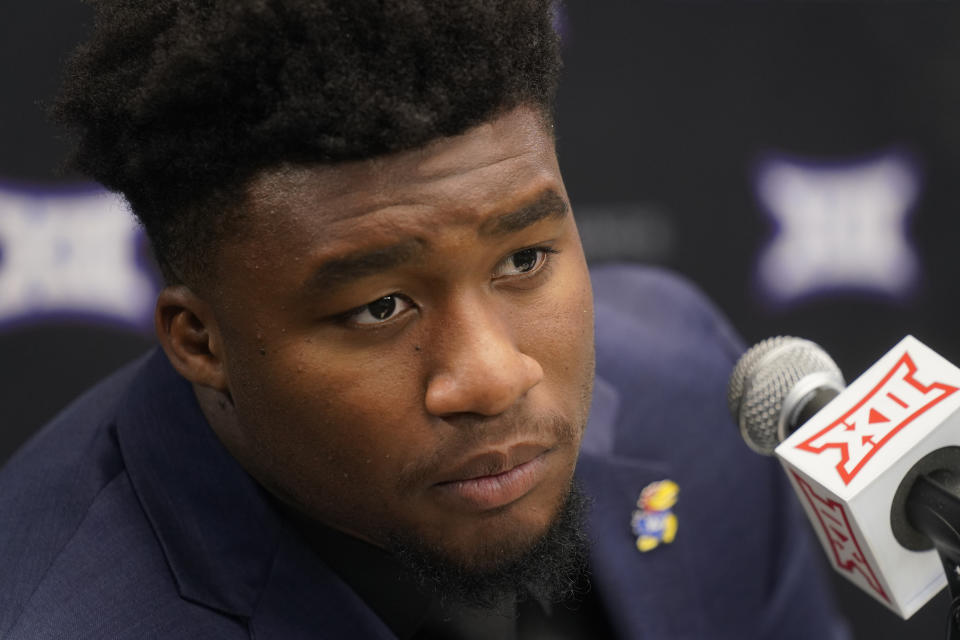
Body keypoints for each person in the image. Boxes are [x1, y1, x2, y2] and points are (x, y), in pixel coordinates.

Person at [0, 1, 848, 638]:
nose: (492, 376)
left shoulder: (695, 397)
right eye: (379, 307)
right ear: (201, 341)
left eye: (523, 260)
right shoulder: (59, 614)